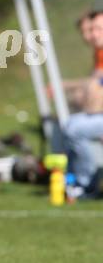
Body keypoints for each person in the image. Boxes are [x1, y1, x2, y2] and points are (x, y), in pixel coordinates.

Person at [64, 10, 103, 198]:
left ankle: (86, 185)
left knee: (75, 129)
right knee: (71, 124)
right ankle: (71, 181)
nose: (92, 34)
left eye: (98, 29)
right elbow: (94, 87)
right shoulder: (99, 53)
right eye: (91, 29)